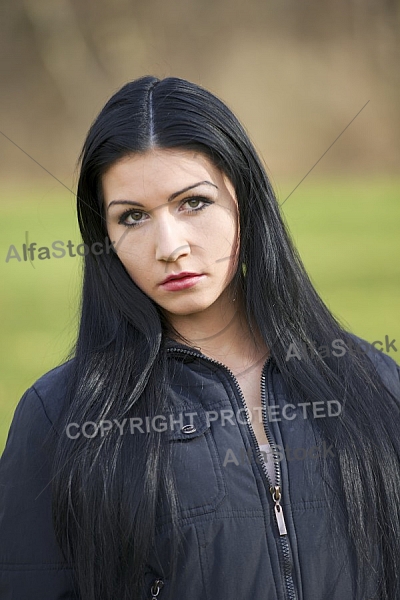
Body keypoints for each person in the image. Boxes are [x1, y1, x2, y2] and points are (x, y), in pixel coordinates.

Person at [0, 76, 399, 600]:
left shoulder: (372, 381)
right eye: (133, 217)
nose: (170, 246)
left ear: (245, 201)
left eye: (193, 203)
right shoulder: (60, 417)